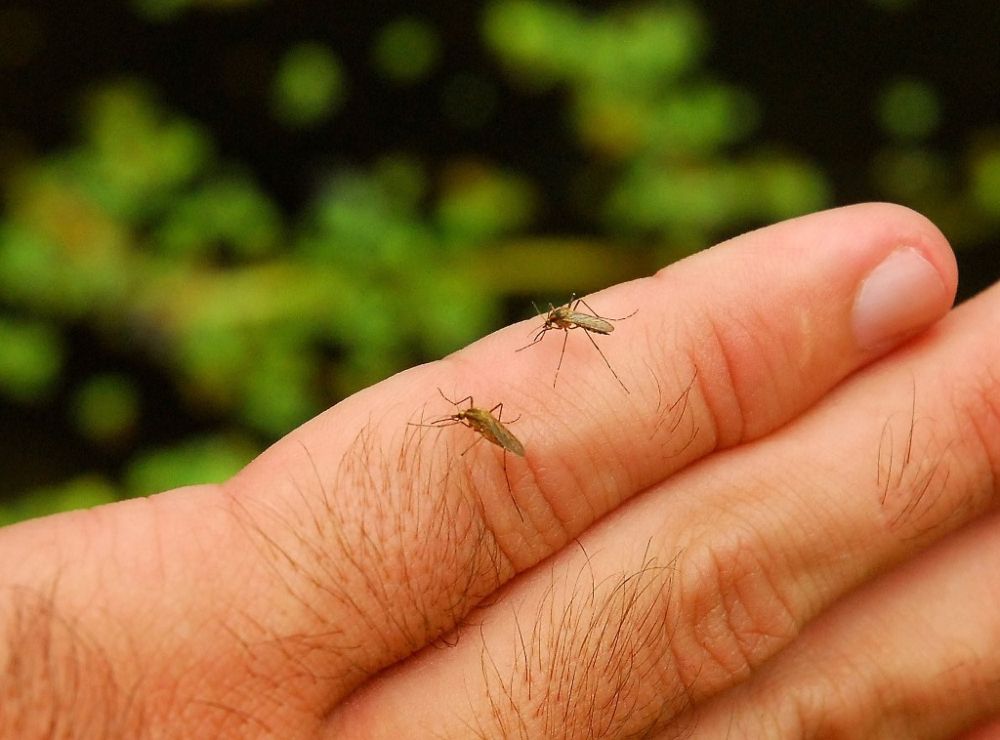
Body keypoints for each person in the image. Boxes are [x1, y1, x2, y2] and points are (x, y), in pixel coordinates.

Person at [2, 203, 998, 738]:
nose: (555, 321)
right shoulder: (482, 412)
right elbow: (477, 420)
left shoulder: (527, 371)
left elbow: (493, 410)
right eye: (557, 318)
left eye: (554, 317)